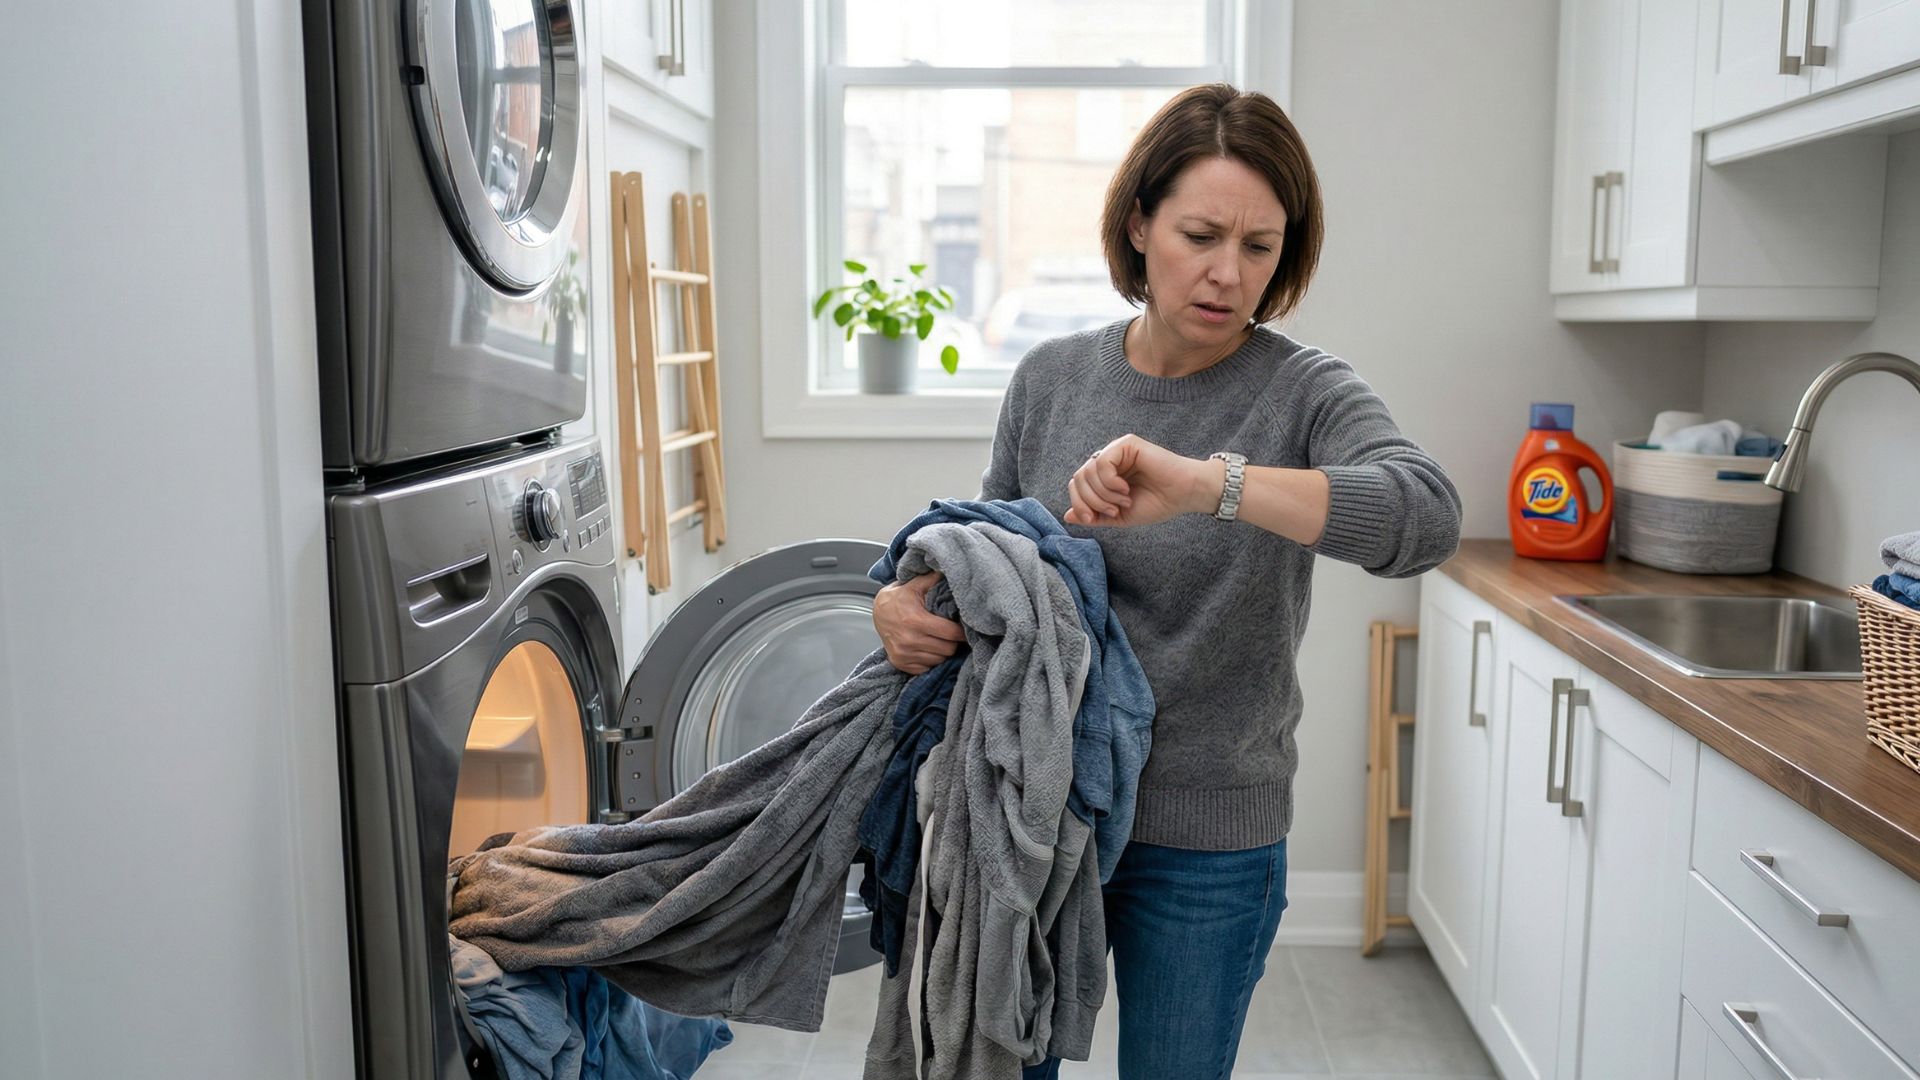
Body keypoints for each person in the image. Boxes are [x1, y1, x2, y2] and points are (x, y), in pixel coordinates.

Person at [870, 82, 1462, 1080]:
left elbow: (1424, 517)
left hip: (1207, 835)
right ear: (1139, 223)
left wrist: (1206, 486)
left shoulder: (1304, 391)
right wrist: (899, 603)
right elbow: (986, 557)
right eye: (1200, 234)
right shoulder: (1051, 379)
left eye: (1260, 247)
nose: (1227, 274)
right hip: (1035, 810)